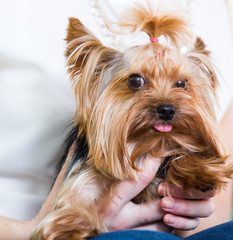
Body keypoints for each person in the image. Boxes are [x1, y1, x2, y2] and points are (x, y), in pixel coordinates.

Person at [1, 0, 233, 239]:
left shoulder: (222, 7)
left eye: (181, 84)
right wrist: (26, 232)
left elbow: (216, 209)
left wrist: (191, 208)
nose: (166, 103)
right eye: (136, 83)